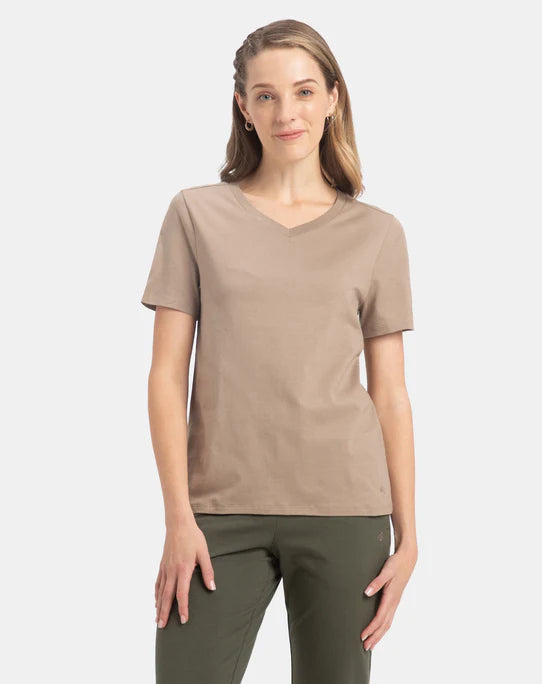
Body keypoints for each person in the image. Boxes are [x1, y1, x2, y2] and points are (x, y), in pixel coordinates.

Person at [140, 18, 418, 684]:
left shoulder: (377, 234)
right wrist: (178, 517)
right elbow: (166, 376)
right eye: (265, 95)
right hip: (216, 514)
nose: (286, 112)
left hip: (347, 511)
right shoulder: (195, 215)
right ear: (244, 107)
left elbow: (390, 393)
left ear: (332, 98)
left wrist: (409, 537)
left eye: (303, 91)